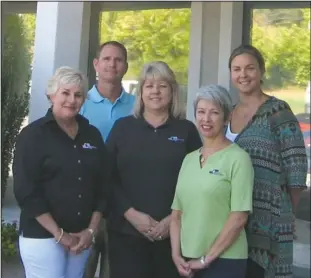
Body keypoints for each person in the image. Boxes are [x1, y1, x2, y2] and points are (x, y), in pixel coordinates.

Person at [105, 61, 202, 278]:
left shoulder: (186, 131)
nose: (155, 91)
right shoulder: (123, 128)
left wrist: (172, 220)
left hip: (175, 237)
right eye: (149, 86)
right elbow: (105, 177)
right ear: (140, 93)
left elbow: (198, 183)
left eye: (162, 85)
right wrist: (130, 214)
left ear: (173, 91)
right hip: (126, 235)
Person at [13, 66, 110, 278]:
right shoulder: (33, 135)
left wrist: (91, 232)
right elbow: (26, 191)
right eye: (65, 93)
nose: (71, 100)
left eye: (78, 95)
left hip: (81, 238)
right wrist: (59, 235)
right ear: (51, 95)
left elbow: (102, 186)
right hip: (42, 237)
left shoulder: (91, 134)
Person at [226, 44, 308, 278]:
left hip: (268, 216)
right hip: (233, 215)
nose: (243, 74)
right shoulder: (227, 113)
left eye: (250, 68)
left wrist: (288, 212)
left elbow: (297, 166)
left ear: (261, 71)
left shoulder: (278, 111)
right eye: (237, 69)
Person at [170, 85, 254, 278]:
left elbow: (239, 218)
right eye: (201, 112)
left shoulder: (238, 159)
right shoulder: (189, 159)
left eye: (214, 113)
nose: (206, 119)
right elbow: (177, 215)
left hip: (225, 262)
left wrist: (205, 259)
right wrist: (176, 255)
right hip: (188, 261)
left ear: (226, 118)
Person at [80, 41, 135, 278]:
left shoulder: (137, 106)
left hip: (123, 204)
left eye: (118, 60)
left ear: (125, 66)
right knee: (82, 269)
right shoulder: (79, 102)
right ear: (96, 64)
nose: (112, 64)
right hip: (86, 203)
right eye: (107, 59)